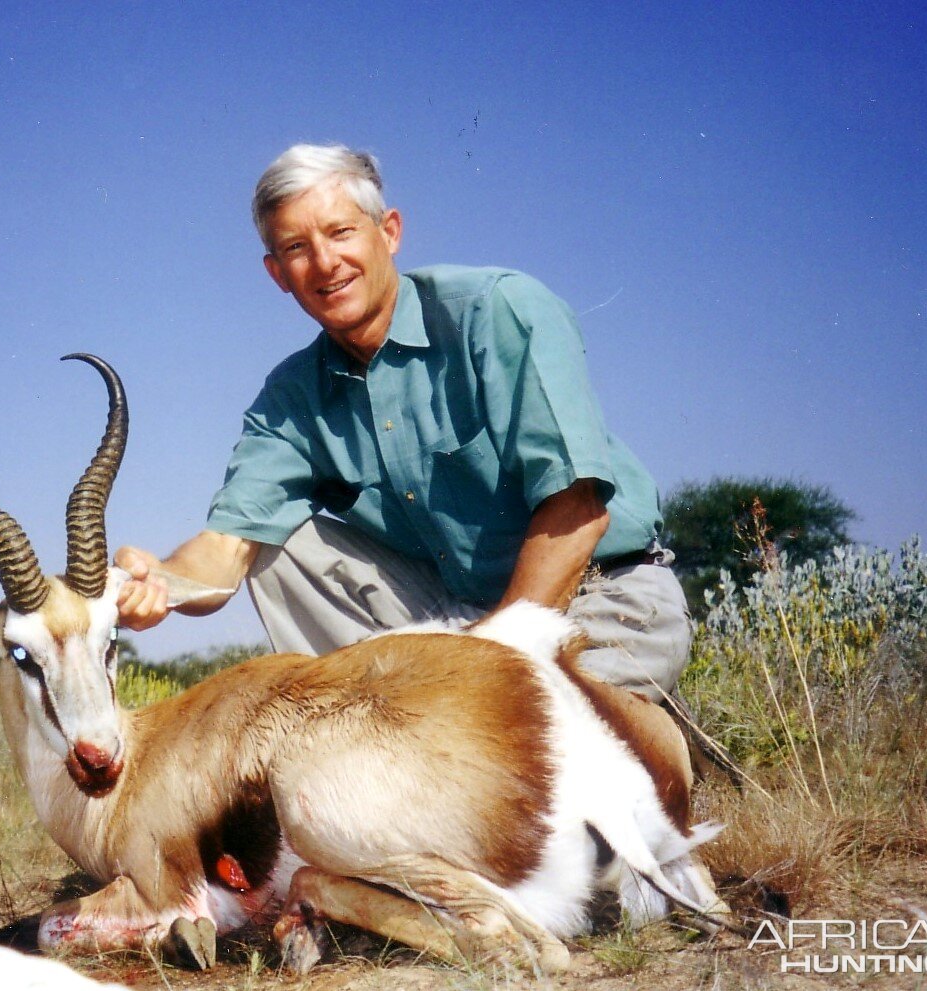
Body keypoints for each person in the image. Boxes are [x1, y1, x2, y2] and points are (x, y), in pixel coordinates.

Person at [115, 144, 691, 702]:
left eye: (341, 232)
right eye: (296, 247)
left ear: (388, 232)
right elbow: (229, 544)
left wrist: (488, 658)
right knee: (276, 544)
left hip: (601, 595)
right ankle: (386, 727)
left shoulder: (496, 309)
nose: (324, 263)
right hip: (458, 622)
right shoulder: (291, 396)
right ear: (277, 274)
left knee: (530, 733)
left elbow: (578, 509)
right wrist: (161, 583)